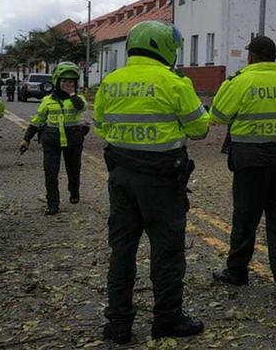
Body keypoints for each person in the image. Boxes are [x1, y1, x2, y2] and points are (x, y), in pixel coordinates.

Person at [94, 21, 209, 344]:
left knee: (122, 250)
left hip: (121, 176)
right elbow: (200, 128)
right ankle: (168, 318)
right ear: (163, 46)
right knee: (167, 251)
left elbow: (101, 125)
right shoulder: (173, 82)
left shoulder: (111, 82)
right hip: (162, 179)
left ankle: (118, 323)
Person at [209, 36, 276, 298]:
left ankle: (237, 272)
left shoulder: (240, 81)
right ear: (274, 56)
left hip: (250, 163)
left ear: (252, 57)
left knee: (245, 219)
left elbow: (217, 117)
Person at [20, 62, 88, 215]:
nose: (67, 84)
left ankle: (74, 191)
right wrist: (26, 138)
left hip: (73, 140)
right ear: (57, 82)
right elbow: (37, 120)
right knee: (51, 172)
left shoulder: (78, 99)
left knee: (73, 169)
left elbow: (81, 108)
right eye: (64, 81)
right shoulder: (47, 101)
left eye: (71, 82)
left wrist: (72, 94)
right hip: (51, 140)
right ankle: (53, 203)